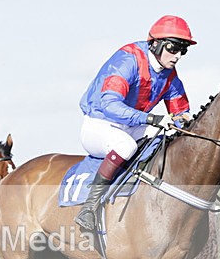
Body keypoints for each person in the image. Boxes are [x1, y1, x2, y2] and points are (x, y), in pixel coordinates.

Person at [74, 15, 196, 231]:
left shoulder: (169, 74)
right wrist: (151, 118)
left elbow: (181, 111)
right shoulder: (127, 60)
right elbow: (109, 104)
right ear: (156, 44)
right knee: (125, 146)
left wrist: (183, 120)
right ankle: (88, 209)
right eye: (173, 48)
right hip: (99, 124)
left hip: (130, 126)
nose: (177, 56)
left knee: (164, 140)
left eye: (183, 50)